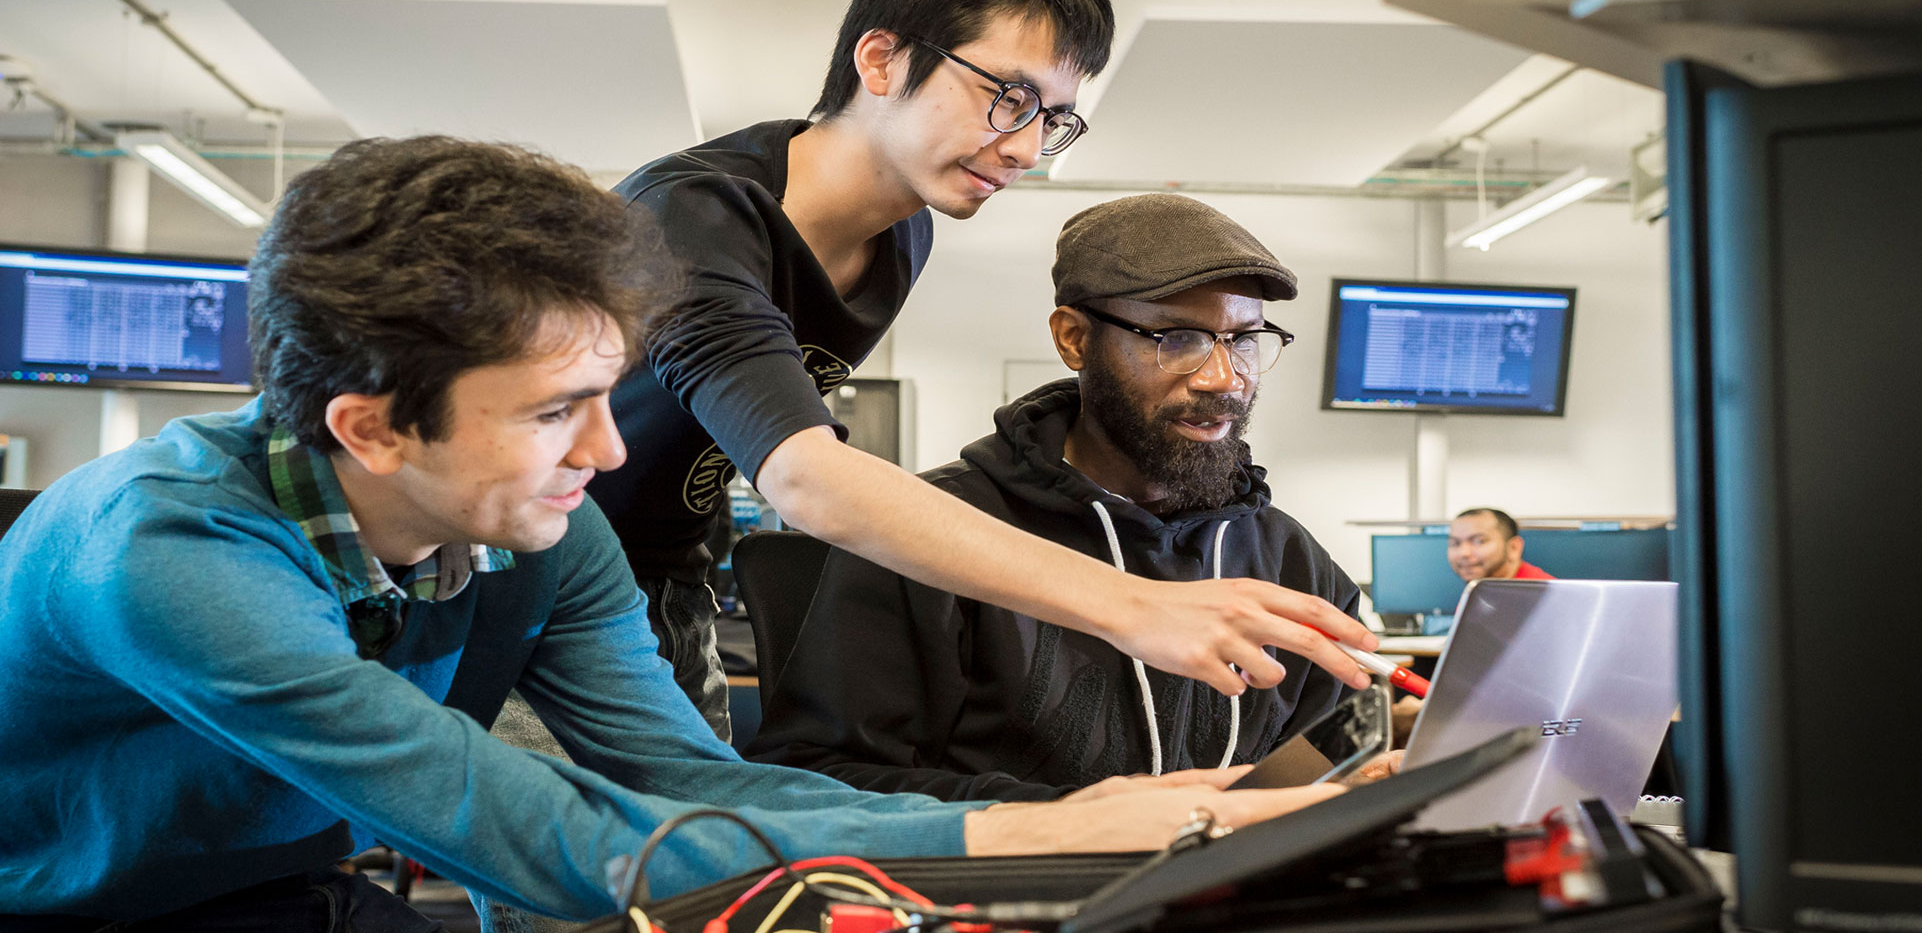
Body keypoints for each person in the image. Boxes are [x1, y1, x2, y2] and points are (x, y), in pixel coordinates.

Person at [0, 138, 1341, 929]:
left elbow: (682, 783)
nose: (607, 450)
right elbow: (523, 826)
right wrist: (1018, 839)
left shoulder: (539, 525)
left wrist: (1056, 828)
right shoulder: (167, 558)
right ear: (371, 428)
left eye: (602, 397)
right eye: (555, 412)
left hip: (277, 883)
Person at [586, 0, 1375, 743]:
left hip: (660, 587)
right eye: (1009, 97)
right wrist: (1132, 606)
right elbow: (806, 479)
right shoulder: (690, 218)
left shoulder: (903, 232)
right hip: (530, 573)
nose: (1028, 147)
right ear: (882, 61)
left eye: (1053, 116)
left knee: (679, 863)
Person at [746, 194, 1362, 801]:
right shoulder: (928, 534)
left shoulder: (1290, 561)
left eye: (1245, 340)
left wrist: (1365, 782)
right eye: (1178, 339)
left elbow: (1326, 760)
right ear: (1074, 339)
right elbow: (814, 780)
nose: (1223, 378)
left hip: (1238, 890)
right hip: (1010, 892)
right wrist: (1074, 821)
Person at [1447, 507, 1553, 583]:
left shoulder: (1543, 597)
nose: (1464, 553)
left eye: (1478, 541)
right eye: (1455, 543)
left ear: (1514, 548)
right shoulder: (1480, 591)